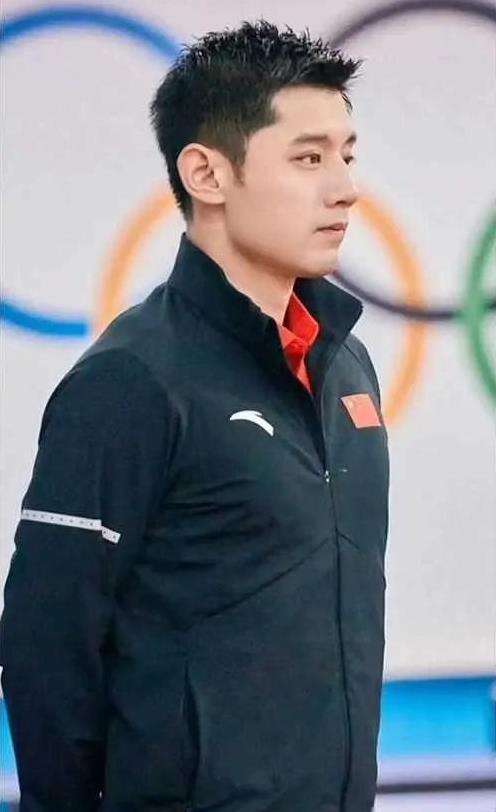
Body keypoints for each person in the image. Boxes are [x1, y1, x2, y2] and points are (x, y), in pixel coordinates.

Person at [0, 20, 389, 812]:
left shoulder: (346, 363)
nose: (345, 187)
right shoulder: (129, 382)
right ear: (207, 173)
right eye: (308, 158)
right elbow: (47, 644)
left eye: (347, 155)